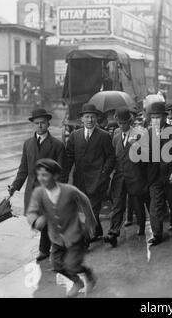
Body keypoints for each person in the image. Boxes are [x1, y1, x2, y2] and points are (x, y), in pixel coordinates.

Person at [26, 159, 97, 298]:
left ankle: (87, 274)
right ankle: (78, 282)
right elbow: (31, 211)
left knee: (71, 265)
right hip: (56, 237)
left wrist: (91, 224)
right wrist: (35, 221)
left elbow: (85, 203)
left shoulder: (69, 191)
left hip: (74, 234)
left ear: (55, 176)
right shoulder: (39, 193)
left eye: (45, 175)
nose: (41, 178)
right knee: (56, 264)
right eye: (39, 174)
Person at [8, 108, 68, 262]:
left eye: (42, 123)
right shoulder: (28, 144)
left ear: (48, 124)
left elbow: (62, 171)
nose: (40, 126)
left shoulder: (57, 145)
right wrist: (14, 186)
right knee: (37, 221)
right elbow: (23, 169)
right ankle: (55, 243)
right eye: (37, 123)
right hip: (32, 191)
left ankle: (45, 249)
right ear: (33, 125)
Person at [65, 104, 115, 244]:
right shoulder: (75, 136)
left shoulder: (104, 136)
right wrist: (64, 176)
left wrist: (104, 173)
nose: (90, 120)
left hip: (97, 180)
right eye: (87, 117)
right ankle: (97, 230)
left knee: (90, 210)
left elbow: (111, 157)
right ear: (81, 119)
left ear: (97, 118)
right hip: (80, 180)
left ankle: (85, 240)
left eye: (92, 117)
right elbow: (69, 157)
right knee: (84, 208)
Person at [105, 108, 148, 247]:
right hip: (119, 175)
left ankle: (141, 225)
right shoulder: (116, 135)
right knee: (118, 204)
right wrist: (108, 172)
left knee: (137, 202)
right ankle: (113, 232)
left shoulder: (139, 134)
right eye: (119, 123)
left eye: (124, 123)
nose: (122, 126)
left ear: (130, 122)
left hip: (134, 174)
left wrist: (135, 145)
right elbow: (114, 155)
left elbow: (146, 156)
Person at [146, 102, 172, 246]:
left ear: (164, 117)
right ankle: (157, 234)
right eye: (153, 117)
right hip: (154, 177)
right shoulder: (147, 133)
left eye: (158, 117)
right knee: (155, 205)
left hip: (170, 176)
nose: (155, 120)